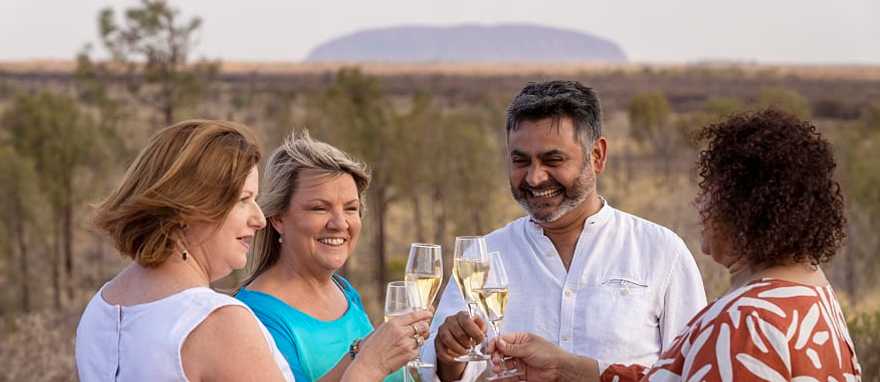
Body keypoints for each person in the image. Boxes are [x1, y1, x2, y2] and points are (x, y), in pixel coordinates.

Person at [489, 109, 862, 381]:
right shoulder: (810, 296)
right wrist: (566, 368)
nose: (700, 205)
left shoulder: (744, 321)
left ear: (749, 207)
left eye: (710, 193)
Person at [75, 120, 427, 382]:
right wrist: (369, 367)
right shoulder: (217, 321)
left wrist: (359, 355)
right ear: (191, 208)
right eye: (244, 200)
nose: (259, 218)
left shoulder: (103, 306)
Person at [423, 81, 707, 381]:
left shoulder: (662, 252)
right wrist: (448, 354)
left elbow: (693, 370)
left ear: (597, 156)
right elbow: (439, 371)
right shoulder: (484, 256)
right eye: (521, 161)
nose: (534, 178)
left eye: (552, 160)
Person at [236, 131, 432, 382]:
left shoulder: (343, 290)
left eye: (351, 208)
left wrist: (448, 361)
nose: (340, 224)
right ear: (278, 219)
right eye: (319, 208)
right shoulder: (257, 315)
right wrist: (368, 361)